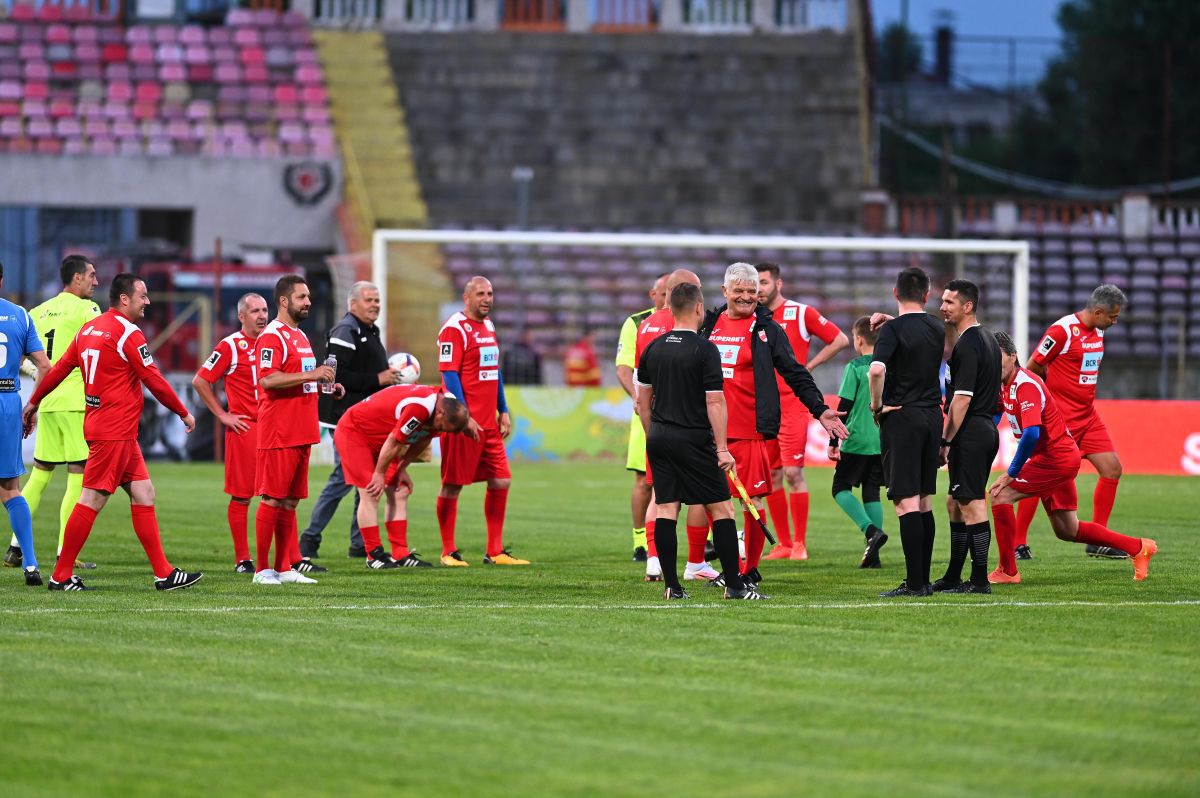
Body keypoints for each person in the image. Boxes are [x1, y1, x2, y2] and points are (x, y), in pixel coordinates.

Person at [22, 272, 202, 591]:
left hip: (107, 427)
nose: (147, 302)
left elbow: (59, 369)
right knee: (92, 498)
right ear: (124, 299)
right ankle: (61, 574)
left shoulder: (89, 329)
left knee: (144, 492)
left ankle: (164, 573)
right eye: (142, 296)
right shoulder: (127, 334)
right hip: (113, 430)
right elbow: (154, 380)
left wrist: (34, 401)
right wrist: (184, 412)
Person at [700, 263, 849, 590]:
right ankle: (730, 566)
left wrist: (821, 410)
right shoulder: (708, 325)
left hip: (750, 431)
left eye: (751, 292)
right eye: (738, 291)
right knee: (712, 501)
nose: (745, 297)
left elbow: (795, 373)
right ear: (725, 291)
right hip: (709, 433)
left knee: (750, 501)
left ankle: (748, 570)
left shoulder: (766, 330)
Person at [988, 330, 1156, 583]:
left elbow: (1032, 434)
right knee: (1067, 529)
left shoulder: (1025, 385)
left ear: (1013, 356)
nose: (991, 363)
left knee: (1001, 495)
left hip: (1055, 459)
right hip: (1057, 458)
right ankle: (1138, 547)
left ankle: (1008, 570)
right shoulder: (1005, 386)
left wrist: (1011, 472)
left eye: (996, 356)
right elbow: (995, 414)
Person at [634, 282, 765, 600]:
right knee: (722, 509)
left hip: (659, 437)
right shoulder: (705, 349)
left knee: (666, 508)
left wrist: (655, 433)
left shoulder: (653, 346)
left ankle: (672, 588)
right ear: (697, 308)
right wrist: (721, 448)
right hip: (693, 438)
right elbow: (715, 402)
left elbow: (642, 402)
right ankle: (734, 587)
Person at [1017, 284, 1129, 560]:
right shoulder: (1062, 331)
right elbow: (1031, 368)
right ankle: (1018, 544)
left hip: (1088, 415)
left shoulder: (1098, 330)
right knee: (1038, 478)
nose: (1115, 322)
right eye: (1113, 317)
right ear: (1099, 311)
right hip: (1062, 420)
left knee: (1112, 468)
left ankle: (1098, 538)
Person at [3, 255, 100, 573]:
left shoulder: (36, 311)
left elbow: (26, 360)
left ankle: (16, 547)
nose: (95, 282)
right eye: (91, 276)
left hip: (45, 399)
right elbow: (97, 351)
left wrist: (36, 387)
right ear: (76, 278)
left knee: (39, 475)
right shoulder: (88, 310)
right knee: (80, 475)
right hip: (74, 400)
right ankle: (64, 552)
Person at [252, 274, 341, 586]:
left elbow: (304, 377)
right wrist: (314, 374)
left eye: (308, 297)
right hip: (279, 430)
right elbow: (268, 380)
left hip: (302, 429)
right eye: (302, 297)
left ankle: (284, 566)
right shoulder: (272, 335)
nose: (308, 302)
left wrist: (326, 383)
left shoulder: (299, 337)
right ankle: (262, 569)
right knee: (272, 500)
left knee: (290, 502)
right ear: (284, 301)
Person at [755, 263, 848, 561]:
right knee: (772, 474)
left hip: (794, 404)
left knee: (794, 472)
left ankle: (800, 544)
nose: (759, 289)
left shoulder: (800, 313)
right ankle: (782, 545)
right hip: (763, 405)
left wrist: (809, 366)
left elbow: (840, 339)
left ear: (778, 284)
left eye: (764, 283)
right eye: (755, 284)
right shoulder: (754, 316)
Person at [300, 281, 399, 561]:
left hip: (364, 419)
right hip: (344, 419)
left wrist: (386, 376)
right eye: (369, 300)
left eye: (377, 300)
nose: (375, 305)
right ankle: (309, 539)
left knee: (365, 481)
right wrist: (377, 379)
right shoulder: (346, 330)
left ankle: (359, 544)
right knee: (343, 478)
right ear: (352, 304)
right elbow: (334, 376)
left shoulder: (369, 330)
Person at [435, 276, 529, 566]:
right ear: (467, 298)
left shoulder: (488, 326)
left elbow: (493, 370)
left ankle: (495, 550)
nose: (487, 299)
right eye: (480, 294)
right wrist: (464, 418)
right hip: (464, 425)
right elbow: (449, 376)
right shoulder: (454, 328)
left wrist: (503, 409)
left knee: (501, 480)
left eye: (490, 293)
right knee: (452, 485)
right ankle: (448, 552)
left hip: (489, 424)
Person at [868, 266, 945, 598]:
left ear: (895, 293)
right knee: (925, 500)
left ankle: (914, 584)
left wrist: (876, 405)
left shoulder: (891, 330)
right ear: (927, 296)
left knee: (905, 501)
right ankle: (923, 581)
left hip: (902, 417)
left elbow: (875, 369)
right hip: (932, 416)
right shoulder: (938, 327)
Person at [334, 384, 472, 569]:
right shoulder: (420, 407)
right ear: (440, 413)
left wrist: (401, 468)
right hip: (355, 433)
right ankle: (373, 555)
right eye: (441, 427)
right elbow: (395, 440)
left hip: (382, 441)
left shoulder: (446, 406)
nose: (441, 430)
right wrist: (379, 474)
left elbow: (424, 437)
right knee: (371, 490)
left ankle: (400, 554)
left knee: (400, 490)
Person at [634, 269, 709, 582]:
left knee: (660, 495)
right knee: (702, 495)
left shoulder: (646, 326)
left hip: (656, 423)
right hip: (687, 423)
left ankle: (654, 559)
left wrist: (650, 429)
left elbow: (641, 387)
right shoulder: (685, 325)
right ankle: (695, 563)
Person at [931, 280, 1001, 594]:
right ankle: (953, 575)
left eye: (949, 302)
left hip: (971, 431)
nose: (943, 306)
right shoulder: (986, 338)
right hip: (982, 429)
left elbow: (961, 398)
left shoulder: (969, 343)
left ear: (967, 306)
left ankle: (980, 579)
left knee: (972, 504)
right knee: (954, 502)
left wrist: (945, 441)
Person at [191, 292, 268, 574]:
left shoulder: (273, 341)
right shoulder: (230, 346)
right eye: (255, 311)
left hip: (274, 429)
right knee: (242, 496)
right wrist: (223, 415)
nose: (262, 316)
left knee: (281, 495)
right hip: (245, 429)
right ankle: (243, 559)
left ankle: (290, 558)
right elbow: (200, 381)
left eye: (264, 310)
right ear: (241, 316)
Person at [0, 264, 51, 586]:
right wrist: (32, 407)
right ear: (2, 280)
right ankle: (30, 564)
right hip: (7, 400)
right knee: (10, 489)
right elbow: (44, 366)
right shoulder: (20, 314)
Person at [615, 272, 668, 562]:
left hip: (676, 412)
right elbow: (624, 368)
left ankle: (706, 543)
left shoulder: (685, 320)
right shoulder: (636, 323)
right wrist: (640, 400)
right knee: (644, 480)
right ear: (653, 294)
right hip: (646, 412)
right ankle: (640, 542)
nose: (667, 298)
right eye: (663, 293)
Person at [827, 316, 887, 568]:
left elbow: (844, 407)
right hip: (882, 440)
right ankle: (873, 553)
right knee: (872, 490)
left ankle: (871, 531)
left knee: (840, 487)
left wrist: (833, 440)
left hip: (857, 439)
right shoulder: (887, 366)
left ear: (859, 339)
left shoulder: (855, 367)